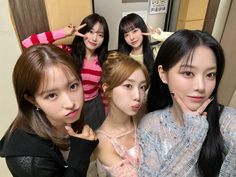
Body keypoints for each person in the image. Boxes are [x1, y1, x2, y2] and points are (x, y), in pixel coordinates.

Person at [137, 29, 236, 177]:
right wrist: (194, 136)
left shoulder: (228, 121)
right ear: (163, 74)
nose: (201, 86)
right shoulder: (151, 125)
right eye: (188, 73)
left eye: (210, 75)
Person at [0, 44, 99, 177]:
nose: (70, 103)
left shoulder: (65, 116)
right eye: (51, 95)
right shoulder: (30, 160)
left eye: (73, 86)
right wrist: (80, 156)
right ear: (32, 100)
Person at [22, 13, 109, 130]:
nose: (94, 38)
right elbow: (28, 43)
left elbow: (102, 91)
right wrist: (64, 33)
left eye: (100, 35)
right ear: (83, 31)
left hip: (94, 106)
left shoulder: (104, 61)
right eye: (90, 32)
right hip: (69, 104)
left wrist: (107, 112)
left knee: (96, 136)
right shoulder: (67, 52)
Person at [94, 51, 150, 176]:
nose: (138, 96)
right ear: (107, 89)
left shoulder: (142, 117)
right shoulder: (103, 141)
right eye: (128, 86)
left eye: (142, 87)